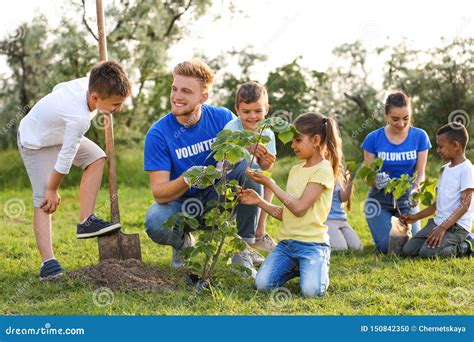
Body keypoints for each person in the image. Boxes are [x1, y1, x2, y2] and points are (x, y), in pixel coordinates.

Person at [144, 59, 263, 276]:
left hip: (217, 200)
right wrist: (187, 179)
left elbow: (247, 158)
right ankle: (183, 244)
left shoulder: (222, 118)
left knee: (251, 169)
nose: (177, 97)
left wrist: (252, 149)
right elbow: (159, 194)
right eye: (174, 89)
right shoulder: (158, 133)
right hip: (181, 206)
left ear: (203, 97)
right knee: (155, 220)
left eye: (186, 91)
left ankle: (243, 249)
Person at [17, 61, 132, 280]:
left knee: (97, 158)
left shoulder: (87, 84)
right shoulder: (78, 118)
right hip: (34, 140)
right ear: (95, 98)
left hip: (60, 132)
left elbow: (58, 88)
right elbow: (66, 158)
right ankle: (48, 264)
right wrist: (52, 189)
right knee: (44, 200)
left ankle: (86, 220)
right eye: (116, 104)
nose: (119, 109)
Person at [239, 112, 342, 297]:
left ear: (316, 140)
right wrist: (259, 201)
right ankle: (298, 267)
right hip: (287, 245)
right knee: (263, 284)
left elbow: (300, 209)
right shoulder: (295, 170)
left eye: (297, 140)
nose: (292, 145)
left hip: (312, 245)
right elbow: (286, 213)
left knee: (311, 292)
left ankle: (316, 264)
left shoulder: (323, 170)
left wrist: (270, 184)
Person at [361, 91, 431, 253]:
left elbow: (421, 174)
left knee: (410, 247)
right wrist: (375, 180)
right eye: (395, 119)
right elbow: (368, 176)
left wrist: (415, 190)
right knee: (388, 248)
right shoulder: (373, 139)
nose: (401, 123)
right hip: (379, 201)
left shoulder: (420, 137)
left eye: (406, 118)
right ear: (386, 115)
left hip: (406, 199)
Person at [401, 122, 474, 258]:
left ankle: (465, 245)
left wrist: (442, 228)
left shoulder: (467, 169)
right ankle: (438, 243)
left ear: (455, 145)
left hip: (457, 227)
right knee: (408, 251)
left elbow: (465, 205)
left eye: (441, 147)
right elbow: (437, 205)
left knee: (427, 253)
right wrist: (415, 217)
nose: (438, 150)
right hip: (438, 223)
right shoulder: (444, 169)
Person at [222, 81, 277, 252]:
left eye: (258, 111)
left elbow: (264, 166)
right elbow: (225, 157)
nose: (252, 116)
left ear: (266, 109)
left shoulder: (267, 133)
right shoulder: (232, 128)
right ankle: (245, 243)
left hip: (252, 177)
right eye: (246, 112)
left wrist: (266, 163)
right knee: (249, 170)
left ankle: (259, 232)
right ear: (237, 110)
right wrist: (246, 146)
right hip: (228, 177)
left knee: (269, 184)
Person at [325, 169, 363, 251]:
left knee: (357, 247)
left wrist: (350, 180)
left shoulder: (339, 173)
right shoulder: (321, 171)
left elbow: (343, 198)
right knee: (340, 248)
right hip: (327, 219)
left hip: (340, 219)